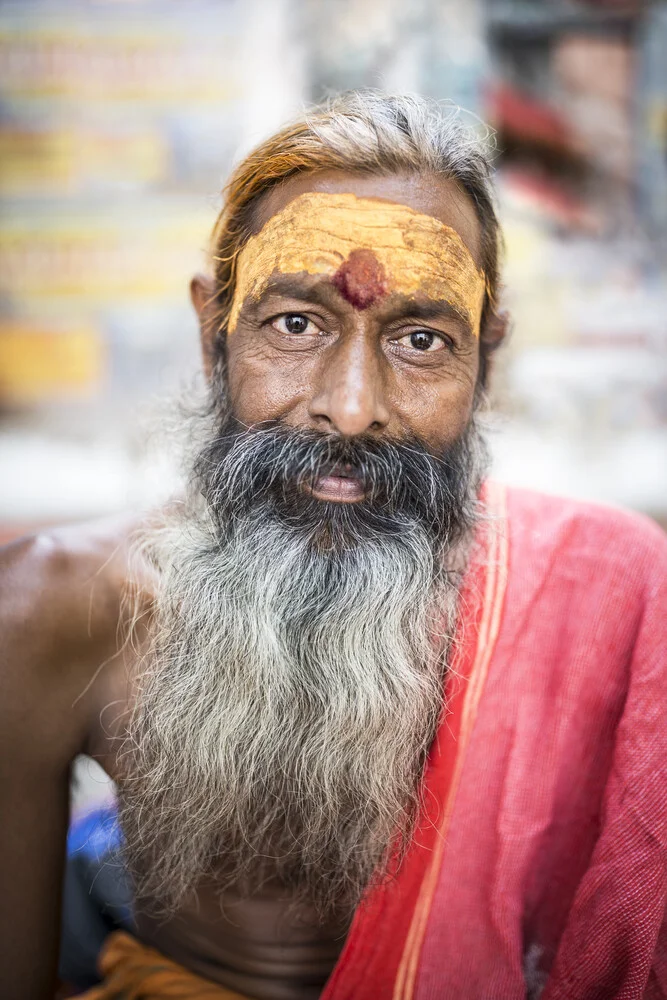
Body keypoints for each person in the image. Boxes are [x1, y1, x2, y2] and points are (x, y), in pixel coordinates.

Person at [1, 91, 665, 1000]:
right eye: (296, 324)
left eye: (421, 338)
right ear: (212, 333)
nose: (350, 407)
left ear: (484, 363)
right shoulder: (55, 605)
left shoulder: (604, 596)